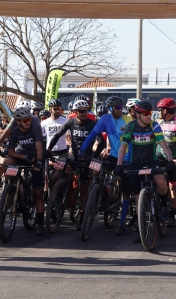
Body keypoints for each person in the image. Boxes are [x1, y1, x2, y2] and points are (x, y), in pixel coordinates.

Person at [114, 100, 175, 243]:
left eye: (150, 113)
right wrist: (119, 164)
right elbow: (123, 147)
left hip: (151, 161)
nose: (149, 116)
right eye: (146, 114)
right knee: (138, 200)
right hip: (135, 163)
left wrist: (170, 160)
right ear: (138, 114)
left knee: (161, 182)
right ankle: (140, 229)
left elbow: (163, 144)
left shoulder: (154, 125)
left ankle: (164, 205)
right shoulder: (131, 126)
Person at [79, 96, 133, 235]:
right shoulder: (105, 119)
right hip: (113, 155)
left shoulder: (128, 120)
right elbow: (93, 134)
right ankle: (98, 191)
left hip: (127, 158)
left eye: (122, 107)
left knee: (126, 192)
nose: (121, 109)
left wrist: (129, 160)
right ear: (110, 108)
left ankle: (122, 224)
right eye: (118, 107)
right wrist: (83, 149)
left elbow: (131, 142)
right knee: (96, 169)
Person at [47, 99, 97, 230]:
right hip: (73, 156)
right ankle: (58, 197)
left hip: (87, 158)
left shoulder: (93, 124)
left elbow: (100, 141)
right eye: (81, 111)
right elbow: (58, 134)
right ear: (75, 112)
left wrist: (96, 153)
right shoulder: (71, 122)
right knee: (56, 176)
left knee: (84, 188)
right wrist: (49, 149)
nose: (84, 113)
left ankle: (82, 215)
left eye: (86, 111)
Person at [5, 106, 46, 235]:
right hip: (24, 156)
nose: (28, 122)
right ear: (18, 122)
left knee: (38, 193)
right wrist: (23, 157)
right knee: (7, 163)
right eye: (25, 120)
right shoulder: (15, 132)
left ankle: (40, 224)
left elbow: (39, 145)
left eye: (29, 119)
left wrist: (39, 161)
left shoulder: (35, 127)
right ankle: (10, 190)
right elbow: (11, 152)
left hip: (36, 157)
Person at [156, 98, 176, 228]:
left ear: (166, 110)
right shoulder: (159, 122)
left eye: (160, 110)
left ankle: (172, 216)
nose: (158, 112)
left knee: (174, 187)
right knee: (159, 183)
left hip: (174, 158)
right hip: (160, 156)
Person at [40, 99, 69, 196]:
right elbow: (39, 138)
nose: (58, 111)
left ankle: (60, 195)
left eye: (60, 109)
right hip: (50, 152)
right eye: (55, 109)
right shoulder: (44, 123)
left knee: (58, 176)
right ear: (50, 109)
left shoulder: (65, 121)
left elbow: (69, 136)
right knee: (47, 176)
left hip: (62, 152)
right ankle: (49, 197)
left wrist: (70, 146)